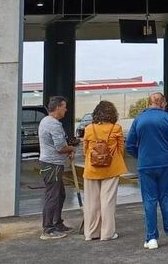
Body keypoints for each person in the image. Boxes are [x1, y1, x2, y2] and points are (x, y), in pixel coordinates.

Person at [126, 92, 168, 249]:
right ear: (163, 103)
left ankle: (151, 239)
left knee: (150, 200)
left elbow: (129, 144)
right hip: (165, 163)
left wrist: (140, 155)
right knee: (167, 197)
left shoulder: (139, 119)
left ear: (148, 103)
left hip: (145, 165)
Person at [82, 100, 128, 240]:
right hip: (111, 169)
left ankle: (90, 233)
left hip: (92, 169)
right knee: (107, 201)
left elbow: (85, 150)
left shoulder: (89, 128)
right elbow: (121, 149)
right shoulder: (116, 128)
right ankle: (107, 233)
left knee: (91, 202)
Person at [38, 96, 75, 240]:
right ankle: (48, 228)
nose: (66, 109)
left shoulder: (46, 121)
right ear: (58, 107)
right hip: (52, 165)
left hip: (52, 164)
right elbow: (60, 147)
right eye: (64, 106)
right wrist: (71, 148)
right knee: (53, 196)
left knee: (59, 195)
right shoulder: (53, 124)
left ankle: (57, 222)